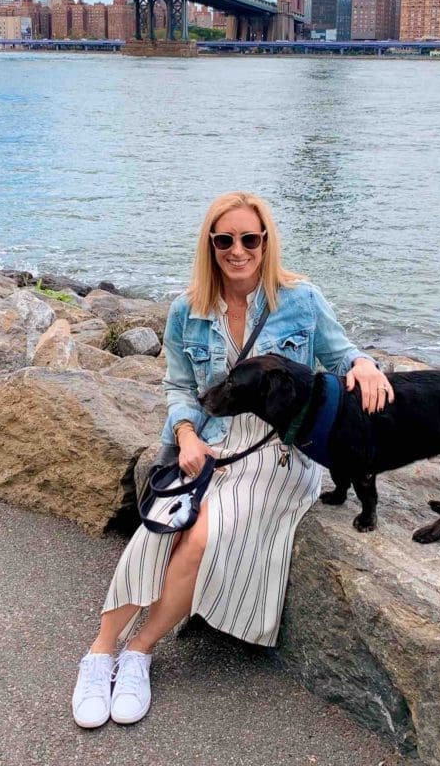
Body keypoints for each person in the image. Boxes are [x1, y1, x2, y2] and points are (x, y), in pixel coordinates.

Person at [71, 191, 394, 728]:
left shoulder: (302, 299)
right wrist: (186, 435)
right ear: (211, 244)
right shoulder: (187, 310)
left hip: (278, 450)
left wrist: (365, 365)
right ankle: (101, 651)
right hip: (211, 442)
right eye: (225, 240)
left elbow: (341, 354)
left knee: (199, 533)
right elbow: (179, 385)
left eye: (250, 238)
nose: (237, 250)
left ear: (266, 242)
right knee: (161, 526)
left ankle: (140, 652)